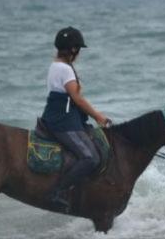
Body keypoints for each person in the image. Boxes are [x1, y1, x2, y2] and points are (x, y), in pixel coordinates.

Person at [40, 26, 112, 209]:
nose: (79, 53)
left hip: (67, 118)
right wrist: (98, 116)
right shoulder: (65, 69)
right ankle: (58, 191)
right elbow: (77, 98)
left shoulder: (56, 66)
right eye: (78, 49)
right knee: (90, 158)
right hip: (62, 122)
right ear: (73, 49)